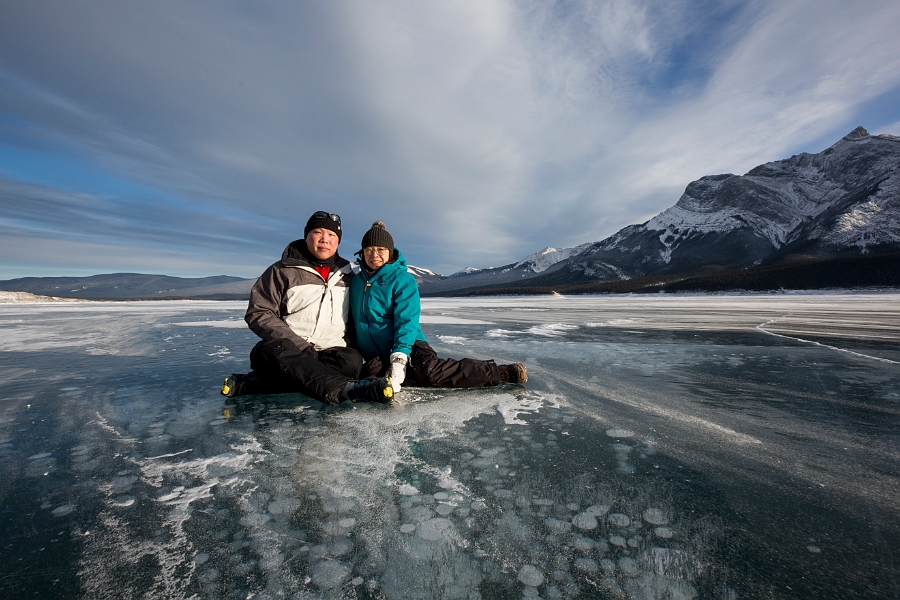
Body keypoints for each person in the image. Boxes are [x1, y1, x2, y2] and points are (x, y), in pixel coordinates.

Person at [221, 211, 393, 404]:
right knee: (272, 351)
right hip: (288, 350)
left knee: (351, 362)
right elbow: (259, 312)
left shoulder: (348, 276)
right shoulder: (282, 270)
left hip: (330, 352)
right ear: (306, 236)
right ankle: (347, 389)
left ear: (338, 241)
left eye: (331, 235)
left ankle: (254, 384)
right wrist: (300, 345)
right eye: (318, 232)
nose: (324, 239)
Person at [350, 221, 527, 390]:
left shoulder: (402, 280)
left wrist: (399, 359)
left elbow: (406, 321)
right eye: (369, 250)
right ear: (362, 253)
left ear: (390, 252)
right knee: (372, 376)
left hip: (410, 344)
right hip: (378, 354)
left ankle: (499, 373)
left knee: (429, 372)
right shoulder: (356, 282)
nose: (374, 255)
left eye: (380, 249)